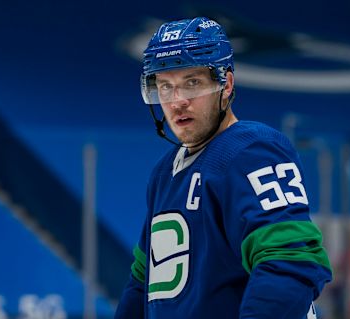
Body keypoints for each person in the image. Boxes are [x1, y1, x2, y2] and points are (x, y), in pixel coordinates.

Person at [114, 17, 332, 319]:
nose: (177, 102)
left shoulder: (254, 150)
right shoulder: (164, 173)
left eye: (192, 83)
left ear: (226, 84)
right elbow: (143, 281)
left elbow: (289, 261)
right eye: (165, 87)